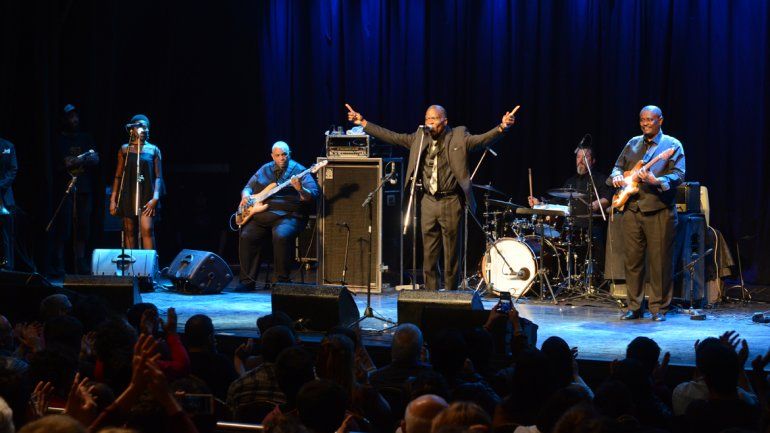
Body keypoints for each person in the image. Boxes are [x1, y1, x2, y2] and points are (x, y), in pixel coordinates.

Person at [346, 103, 517, 290]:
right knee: (429, 253)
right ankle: (431, 293)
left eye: (434, 119)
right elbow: (393, 137)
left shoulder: (459, 135)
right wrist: (364, 123)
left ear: (445, 121)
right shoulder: (420, 137)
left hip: (451, 200)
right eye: (427, 118)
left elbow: (481, 140)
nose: (429, 122)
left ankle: (450, 294)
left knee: (451, 253)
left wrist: (502, 127)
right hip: (428, 201)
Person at [609, 105, 685, 322]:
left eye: (650, 119)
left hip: (659, 210)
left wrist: (657, 180)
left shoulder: (672, 145)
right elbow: (617, 167)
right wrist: (616, 176)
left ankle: (659, 308)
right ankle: (634, 306)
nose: (645, 123)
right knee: (632, 261)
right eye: (642, 120)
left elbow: (679, 174)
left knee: (660, 263)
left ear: (660, 120)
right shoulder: (632, 143)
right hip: (632, 209)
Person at [237, 141, 319, 289]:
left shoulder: (300, 171)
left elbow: (312, 195)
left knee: (281, 235)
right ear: (272, 156)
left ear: (289, 154)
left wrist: (300, 189)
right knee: (247, 235)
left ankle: (281, 282)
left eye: (284, 154)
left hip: (289, 215)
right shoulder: (265, 169)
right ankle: (246, 282)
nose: (281, 158)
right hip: (262, 213)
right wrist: (245, 196)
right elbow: (248, 187)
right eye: (278, 155)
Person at [528, 147, 612, 274]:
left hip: (592, 227)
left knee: (596, 262)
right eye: (578, 157)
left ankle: (596, 277)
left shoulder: (600, 179)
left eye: (585, 157)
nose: (581, 160)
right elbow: (557, 201)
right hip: (572, 228)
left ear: (593, 160)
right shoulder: (570, 182)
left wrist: (597, 203)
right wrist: (539, 203)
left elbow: (608, 198)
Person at [49, 104, 99, 276]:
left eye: (76, 116)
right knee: (64, 226)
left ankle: (80, 260)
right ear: (64, 119)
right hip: (66, 189)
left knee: (83, 226)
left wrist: (77, 160)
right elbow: (67, 162)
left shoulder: (86, 138)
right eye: (70, 117)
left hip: (84, 189)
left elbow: (95, 159)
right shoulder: (59, 140)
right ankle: (59, 262)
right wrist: (83, 158)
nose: (75, 120)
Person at [109, 114, 163, 250]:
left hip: (147, 195)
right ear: (132, 130)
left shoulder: (154, 150)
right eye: (140, 127)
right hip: (128, 194)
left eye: (146, 127)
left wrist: (155, 198)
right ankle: (132, 263)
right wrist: (113, 200)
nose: (144, 129)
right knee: (129, 231)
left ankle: (150, 263)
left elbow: (158, 177)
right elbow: (118, 176)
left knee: (147, 229)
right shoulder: (124, 149)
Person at [0, 135, 17, 270]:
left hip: (5, 198)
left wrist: (0, 185)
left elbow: (13, 170)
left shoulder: (8, 146)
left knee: (6, 235)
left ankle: (8, 268)